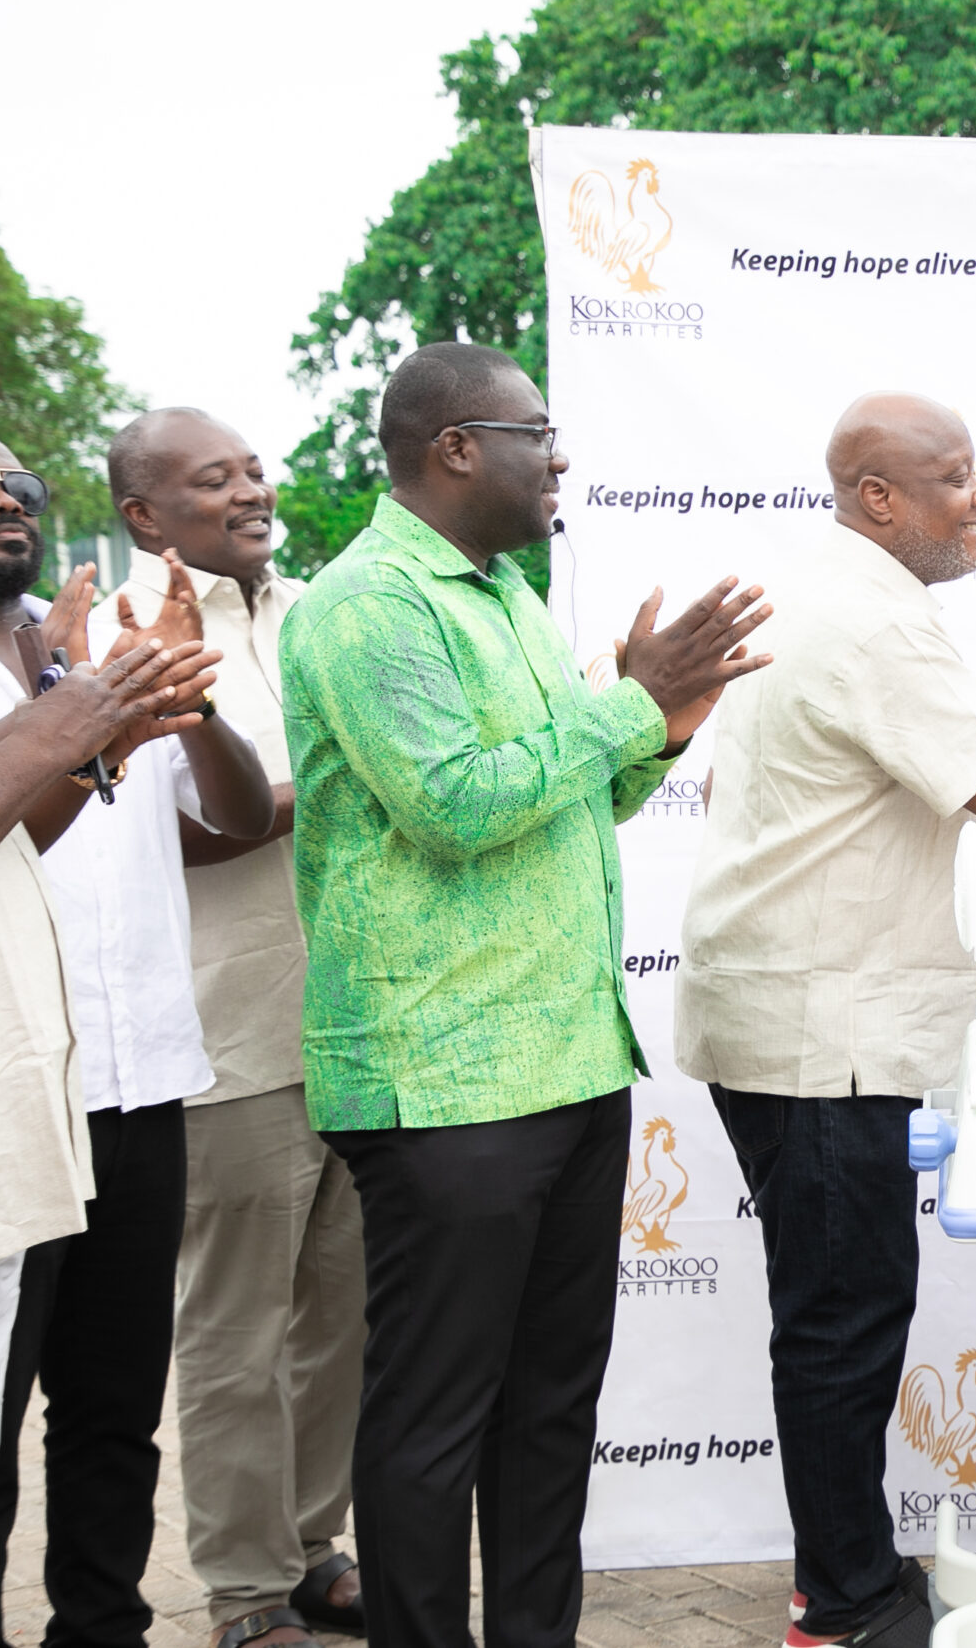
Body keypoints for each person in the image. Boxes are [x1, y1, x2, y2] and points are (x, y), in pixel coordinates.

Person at [284, 342, 770, 1648]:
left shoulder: (507, 593)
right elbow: (453, 804)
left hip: (569, 1063)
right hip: (444, 1078)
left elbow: (570, 800)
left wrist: (661, 727)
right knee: (435, 1418)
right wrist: (630, 706)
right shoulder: (367, 604)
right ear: (456, 447)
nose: (560, 457)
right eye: (536, 433)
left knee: (549, 1409)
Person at [0, 426, 273, 1648]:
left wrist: (184, 700)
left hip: (139, 1079)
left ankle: (103, 1626)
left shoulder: (119, 636)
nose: (3, 503)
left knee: (114, 1408)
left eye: (23, 487)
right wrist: (67, 715)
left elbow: (230, 817)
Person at [677, 392, 976, 1648]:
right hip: (823, 1026)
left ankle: (853, 1572)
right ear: (879, 497)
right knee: (842, 1324)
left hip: (796, 1010)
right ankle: (846, 1602)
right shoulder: (874, 621)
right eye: (956, 477)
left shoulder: (818, 591)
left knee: (841, 1312)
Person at [104, 409, 365, 1648]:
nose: (251, 492)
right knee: (235, 1335)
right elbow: (183, 830)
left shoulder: (316, 611)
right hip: (227, 1035)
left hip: (355, 1023)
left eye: (254, 470)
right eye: (213, 480)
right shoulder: (122, 636)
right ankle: (247, 1592)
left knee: (341, 1316)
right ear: (143, 514)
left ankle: (312, 1549)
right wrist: (344, 784)